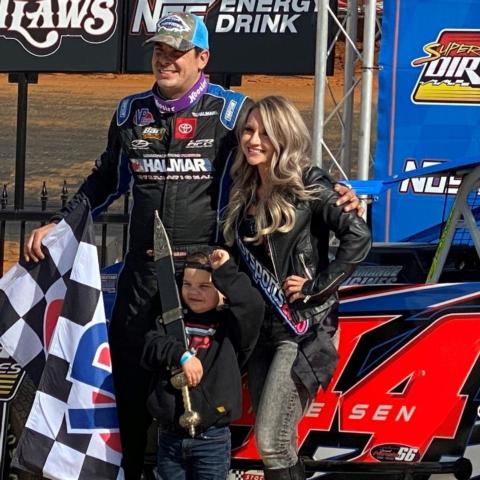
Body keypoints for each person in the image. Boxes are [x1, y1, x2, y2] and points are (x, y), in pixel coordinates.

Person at [24, 12, 363, 479]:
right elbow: (106, 179)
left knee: (195, 397)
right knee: (129, 390)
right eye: (160, 50)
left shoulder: (233, 113)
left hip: (203, 279)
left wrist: (337, 192)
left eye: (178, 52)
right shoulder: (129, 112)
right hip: (143, 273)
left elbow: (284, 149)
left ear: (202, 58)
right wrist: (61, 225)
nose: (166, 59)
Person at [223, 96, 372, 480]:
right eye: (249, 130)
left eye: (265, 133)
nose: (253, 140)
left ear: (284, 137)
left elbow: (358, 236)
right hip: (260, 332)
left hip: (303, 330)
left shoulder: (309, 182)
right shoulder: (243, 186)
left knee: (272, 441)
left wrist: (317, 287)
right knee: (279, 442)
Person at [141, 248, 263, 480]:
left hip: (212, 439)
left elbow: (253, 306)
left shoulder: (231, 327)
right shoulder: (170, 319)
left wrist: (225, 271)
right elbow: (151, 346)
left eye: (204, 286)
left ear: (223, 292)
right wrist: (181, 356)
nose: (194, 292)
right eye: (187, 285)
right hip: (170, 436)